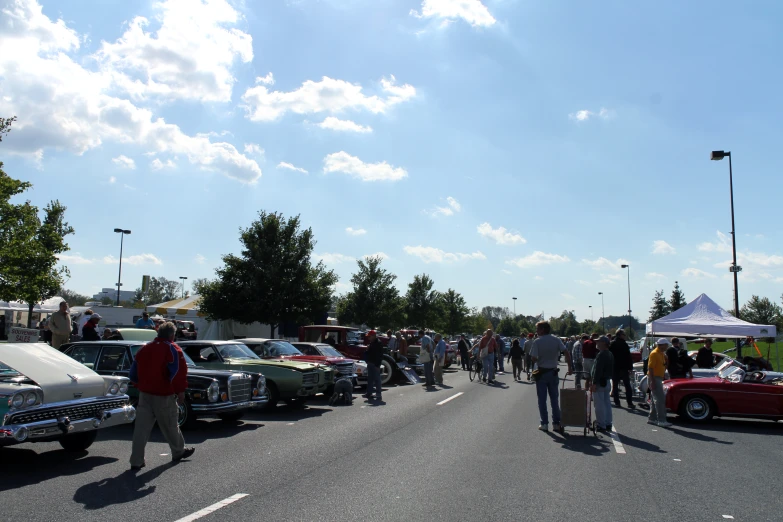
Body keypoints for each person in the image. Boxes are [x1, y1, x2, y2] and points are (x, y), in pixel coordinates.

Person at [129, 321, 195, 470]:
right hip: (163, 394)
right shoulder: (173, 349)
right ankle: (178, 451)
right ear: (172, 335)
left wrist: (140, 386)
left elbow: (133, 373)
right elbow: (178, 373)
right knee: (171, 425)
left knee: (141, 429)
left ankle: (136, 460)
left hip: (145, 394)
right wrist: (180, 391)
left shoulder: (144, 349)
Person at [530, 321, 573, 431]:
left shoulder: (537, 342)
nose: (536, 331)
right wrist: (569, 367)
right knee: (554, 399)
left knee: (542, 399)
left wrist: (540, 359)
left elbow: (533, 358)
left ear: (543, 330)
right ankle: (556, 423)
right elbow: (566, 352)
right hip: (553, 372)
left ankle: (544, 423)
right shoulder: (556, 339)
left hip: (542, 372)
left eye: (538, 329)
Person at [591, 336, 614, 431]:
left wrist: (594, 383)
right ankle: (608, 423)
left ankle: (601, 424)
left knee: (599, 404)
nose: (597, 343)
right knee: (606, 403)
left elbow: (598, 370)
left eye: (598, 342)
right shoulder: (610, 354)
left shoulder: (602, 354)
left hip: (600, 382)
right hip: (606, 381)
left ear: (604, 343)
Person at [647, 338, 672, 427]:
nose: (667, 346)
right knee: (660, 400)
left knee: (655, 399)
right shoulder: (654, 354)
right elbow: (650, 368)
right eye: (666, 345)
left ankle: (652, 418)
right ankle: (661, 420)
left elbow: (663, 366)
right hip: (654, 378)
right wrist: (652, 381)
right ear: (662, 345)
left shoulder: (661, 354)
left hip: (657, 377)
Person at [609, 329, 635, 409]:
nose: (625, 336)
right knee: (627, 385)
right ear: (620, 335)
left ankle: (617, 402)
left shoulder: (612, 344)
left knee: (615, 386)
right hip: (623, 367)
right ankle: (629, 403)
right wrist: (630, 367)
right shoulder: (624, 344)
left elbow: (610, 356)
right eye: (624, 335)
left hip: (614, 367)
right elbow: (628, 357)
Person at [364, 330, 384, 402]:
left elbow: (380, 355)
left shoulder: (379, 343)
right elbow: (368, 353)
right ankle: (369, 393)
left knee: (377, 379)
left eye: (370, 336)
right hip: (370, 363)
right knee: (370, 379)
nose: (369, 338)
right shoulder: (371, 343)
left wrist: (378, 365)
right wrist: (367, 349)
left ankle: (378, 394)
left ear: (373, 336)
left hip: (375, 364)